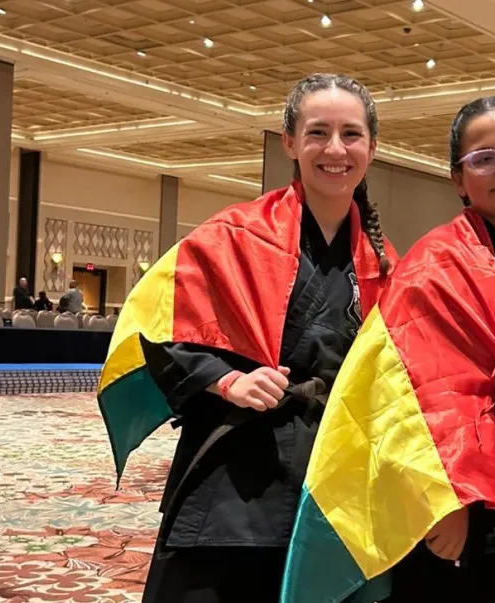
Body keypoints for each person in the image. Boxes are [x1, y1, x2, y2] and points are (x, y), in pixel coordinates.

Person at [282, 96, 495, 603]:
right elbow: (408, 391)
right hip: (462, 507)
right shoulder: (433, 263)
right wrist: (444, 499)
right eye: (484, 159)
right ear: (458, 177)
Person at [96, 74, 396, 603]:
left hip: (333, 473)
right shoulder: (232, 236)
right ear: (289, 142)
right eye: (317, 132)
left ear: (371, 146)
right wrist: (228, 380)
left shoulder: (385, 262)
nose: (335, 149)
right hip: (235, 474)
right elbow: (153, 329)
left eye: (351, 134)